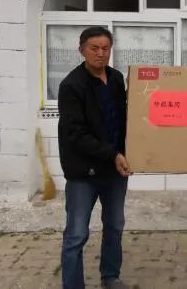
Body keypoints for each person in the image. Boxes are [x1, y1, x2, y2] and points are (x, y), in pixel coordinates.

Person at [58, 26, 131, 289]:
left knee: (114, 226)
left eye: (105, 48)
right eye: (94, 48)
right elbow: (76, 134)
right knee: (76, 234)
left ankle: (110, 276)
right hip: (84, 173)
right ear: (81, 50)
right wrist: (113, 154)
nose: (101, 53)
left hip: (115, 171)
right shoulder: (71, 86)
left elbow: (127, 120)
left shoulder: (116, 79)